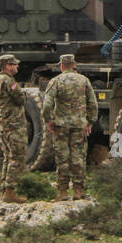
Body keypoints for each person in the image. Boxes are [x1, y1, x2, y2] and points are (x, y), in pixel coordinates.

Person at [41, 53, 98, 200]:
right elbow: (93, 104)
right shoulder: (84, 81)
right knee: (78, 156)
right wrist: (90, 122)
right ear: (74, 65)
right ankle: (79, 191)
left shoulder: (56, 81)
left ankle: (63, 192)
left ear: (61, 66)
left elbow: (47, 106)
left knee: (62, 157)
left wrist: (49, 121)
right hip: (79, 125)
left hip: (61, 126)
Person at [0, 54, 29, 204]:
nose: (17, 67)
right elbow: (21, 99)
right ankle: (10, 191)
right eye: (14, 64)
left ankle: (5, 190)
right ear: (7, 66)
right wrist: (23, 92)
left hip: (5, 123)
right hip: (14, 124)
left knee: (8, 156)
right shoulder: (9, 81)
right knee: (17, 156)